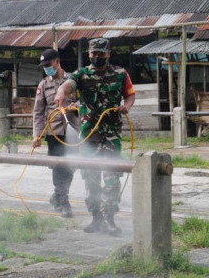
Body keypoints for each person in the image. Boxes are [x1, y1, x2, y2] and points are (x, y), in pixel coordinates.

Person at [54, 38, 136, 236]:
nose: (97, 57)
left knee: (112, 177)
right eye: (93, 54)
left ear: (108, 53)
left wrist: (127, 105)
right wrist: (61, 91)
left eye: (101, 53)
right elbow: (68, 85)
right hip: (89, 136)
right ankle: (96, 218)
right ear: (89, 54)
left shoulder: (120, 74)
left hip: (111, 136)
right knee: (90, 177)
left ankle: (109, 218)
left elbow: (131, 94)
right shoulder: (82, 74)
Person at [32, 49, 79, 218]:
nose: (46, 68)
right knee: (58, 166)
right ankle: (63, 199)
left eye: (48, 64)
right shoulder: (43, 85)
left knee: (70, 165)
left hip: (72, 129)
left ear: (57, 62)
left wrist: (76, 106)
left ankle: (57, 196)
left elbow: (84, 100)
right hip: (54, 132)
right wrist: (36, 135)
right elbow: (38, 112)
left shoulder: (72, 80)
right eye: (44, 66)